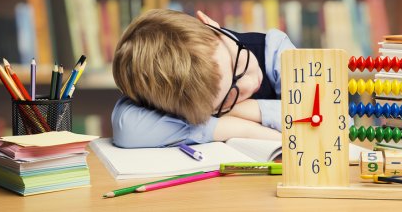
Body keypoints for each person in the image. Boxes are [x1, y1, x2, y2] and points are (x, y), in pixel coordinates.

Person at [111, 8, 295, 148]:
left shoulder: (276, 50)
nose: (250, 82)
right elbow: (127, 129)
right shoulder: (181, 100)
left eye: (237, 63)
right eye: (230, 96)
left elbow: (317, 115)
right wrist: (238, 129)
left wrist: (235, 110)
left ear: (211, 25)